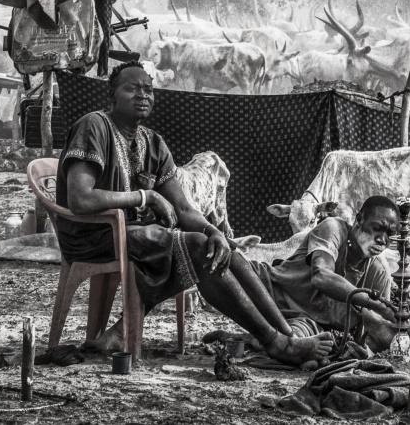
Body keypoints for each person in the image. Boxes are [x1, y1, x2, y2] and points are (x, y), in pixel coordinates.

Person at [55, 61, 333, 365]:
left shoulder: (153, 143)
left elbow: (184, 208)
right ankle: (275, 343)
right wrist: (146, 196)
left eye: (148, 89)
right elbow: (80, 199)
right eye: (131, 88)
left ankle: (288, 336)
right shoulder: (93, 127)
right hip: (91, 235)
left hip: (136, 237)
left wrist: (214, 231)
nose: (142, 95)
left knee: (224, 248)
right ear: (112, 94)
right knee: (199, 249)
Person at [249, 196, 401, 353]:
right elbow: (321, 276)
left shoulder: (379, 271)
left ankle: (276, 341)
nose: (382, 240)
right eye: (377, 228)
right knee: (234, 265)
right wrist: (374, 304)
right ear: (359, 220)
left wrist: (365, 351)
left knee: (303, 342)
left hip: (306, 323)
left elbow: (376, 330)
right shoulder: (334, 228)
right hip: (267, 291)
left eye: (390, 234)